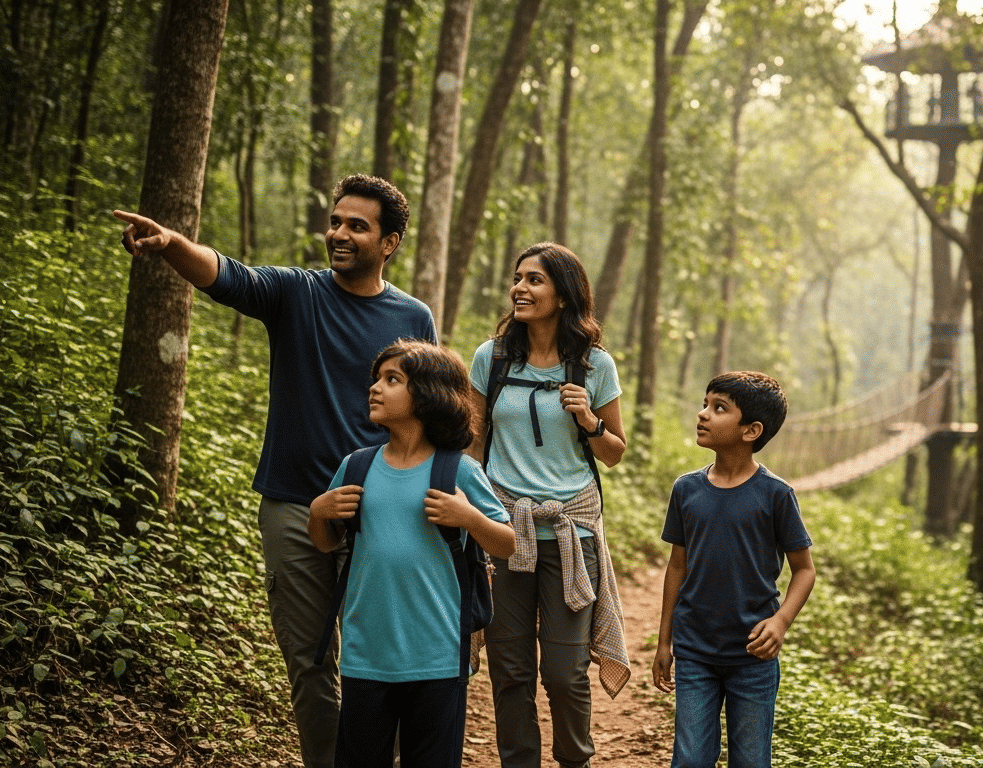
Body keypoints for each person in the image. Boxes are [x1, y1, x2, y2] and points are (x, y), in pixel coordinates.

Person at [113, 174, 436, 768]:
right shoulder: (297, 293)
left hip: (384, 510)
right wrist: (173, 243)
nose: (338, 233)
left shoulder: (413, 317)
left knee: (383, 659)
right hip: (292, 506)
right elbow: (229, 275)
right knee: (311, 663)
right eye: (336, 221)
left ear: (389, 243)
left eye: (356, 226)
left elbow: (429, 417)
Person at [308, 339, 515, 768]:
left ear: (428, 394)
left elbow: (506, 543)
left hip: (438, 656)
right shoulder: (356, 465)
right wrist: (318, 512)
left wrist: (469, 517)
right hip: (366, 655)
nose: (375, 389)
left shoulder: (458, 470)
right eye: (376, 379)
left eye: (392, 379)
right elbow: (328, 543)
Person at [467, 242, 630, 768]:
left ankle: (575, 760)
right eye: (518, 278)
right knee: (510, 670)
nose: (520, 287)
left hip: (570, 533)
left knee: (564, 672)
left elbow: (615, 454)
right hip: (502, 529)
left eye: (534, 279)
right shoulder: (490, 359)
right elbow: (472, 444)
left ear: (563, 294)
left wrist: (591, 421)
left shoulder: (594, 366)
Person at [651, 371, 817, 768]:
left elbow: (805, 570)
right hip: (694, 650)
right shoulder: (686, 490)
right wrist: (664, 642)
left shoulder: (776, 495)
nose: (703, 414)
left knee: (751, 761)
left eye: (719, 408)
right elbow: (677, 565)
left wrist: (780, 621)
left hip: (752, 657)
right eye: (705, 404)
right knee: (690, 760)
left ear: (751, 430)